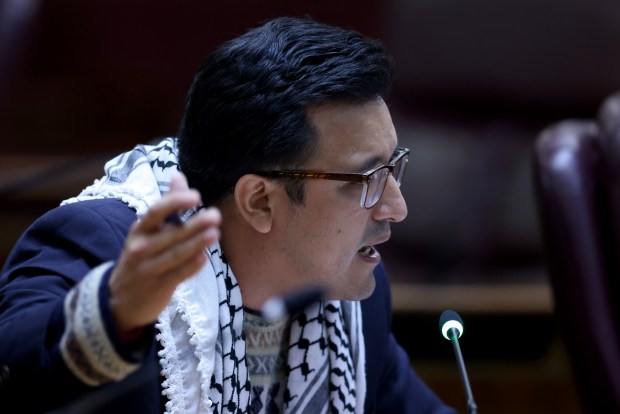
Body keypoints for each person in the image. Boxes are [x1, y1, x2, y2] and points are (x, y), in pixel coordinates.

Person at [0, 16, 456, 414]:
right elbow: (14, 370)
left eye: (394, 167)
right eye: (368, 179)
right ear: (258, 201)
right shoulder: (104, 245)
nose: (397, 207)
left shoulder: (353, 298)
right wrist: (115, 312)